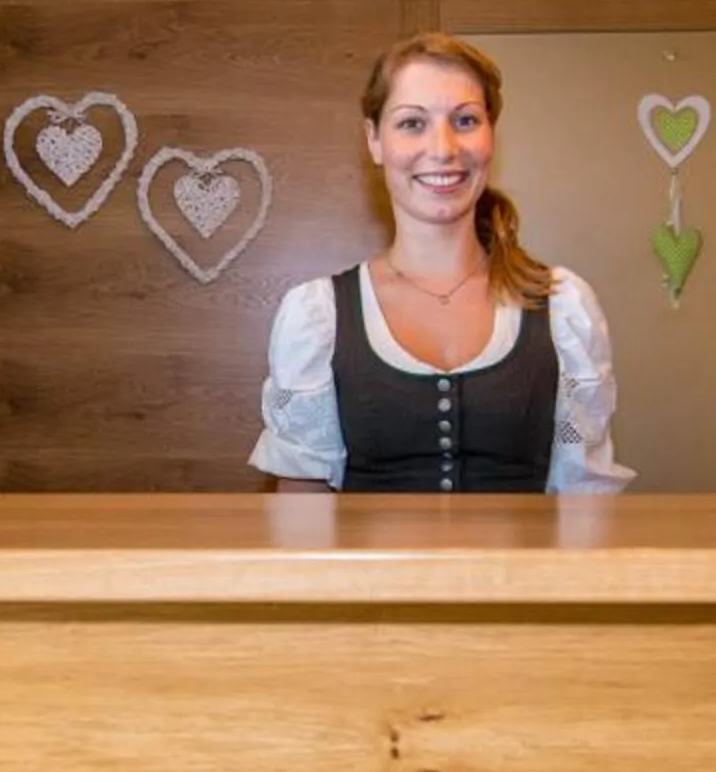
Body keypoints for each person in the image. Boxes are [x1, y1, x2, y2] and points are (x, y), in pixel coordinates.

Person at [250, 33, 634, 494]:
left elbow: (585, 503)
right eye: (413, 123)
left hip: (522, 570)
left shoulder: (564, 307)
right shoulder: (318, 316)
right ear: (374, 140)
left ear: (492, 134)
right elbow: (301, 520)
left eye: (466, 120)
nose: (444, 148)